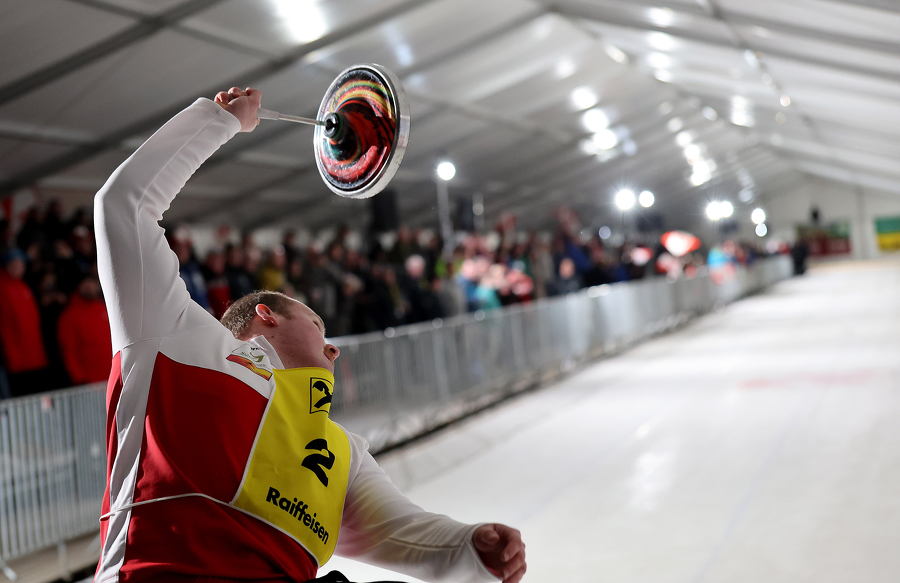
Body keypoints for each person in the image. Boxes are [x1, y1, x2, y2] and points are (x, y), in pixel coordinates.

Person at [93, 87, 525, 583]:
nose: (333, 345)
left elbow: (401, 532)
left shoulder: (342, 449)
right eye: (318, 324)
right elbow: (122, 207)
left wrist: (470, 547)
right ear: (266, 316)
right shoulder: (175, 337)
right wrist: (220, 121)